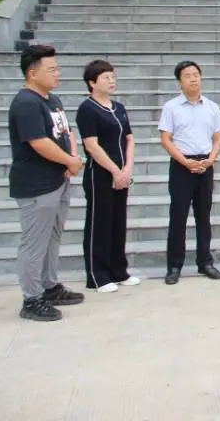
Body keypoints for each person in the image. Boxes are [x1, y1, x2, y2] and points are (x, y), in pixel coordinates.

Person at [8, 44, 85, 322]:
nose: (57, 73)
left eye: (57, 68)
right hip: (36, 185)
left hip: (58, 180)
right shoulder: (26, 103)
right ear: (32, 73)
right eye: (51, 69)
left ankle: (49, 287)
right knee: (34, 243)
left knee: (52, 238)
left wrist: (71, 159)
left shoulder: (52, 100)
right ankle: (31, 299)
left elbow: (66, 132)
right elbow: (39, 143)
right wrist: (69, 161)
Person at [159, 61, 220, 285]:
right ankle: (174, 266)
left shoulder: (212, 107)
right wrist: (186, 162)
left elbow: (217, 138)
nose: (193, 79)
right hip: (182, 166)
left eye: (196, 74)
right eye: (187, 75)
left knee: (203, 216)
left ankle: (205, 262)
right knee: (178, 217)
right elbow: (165, 139)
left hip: (205, 165)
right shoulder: (171, 107)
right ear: (179, 81)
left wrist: (211, 159)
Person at [76, 60, 140, 293]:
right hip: (100, 174)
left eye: (113, 76)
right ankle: (98, 276)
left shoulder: (119, 107)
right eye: (106, 77)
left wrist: (126, 169)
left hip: (122, 175)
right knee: (100, 223)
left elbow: (129, 139)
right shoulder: (87, 109)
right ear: (92, 83)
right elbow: (92, 145)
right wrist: (114, 171)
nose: (111, 81)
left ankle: (119, 270)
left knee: (118, 222)